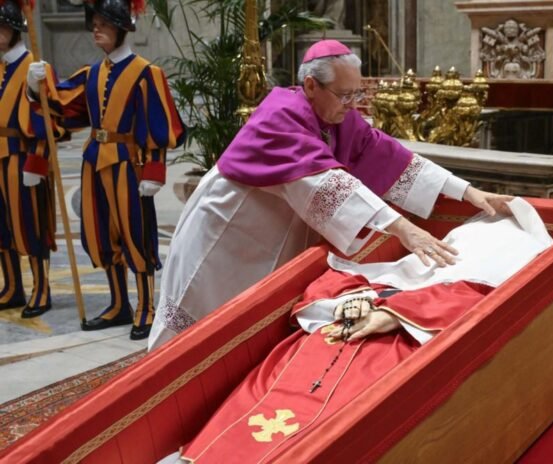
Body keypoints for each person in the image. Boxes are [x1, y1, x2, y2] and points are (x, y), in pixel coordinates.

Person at [148, 39, 513, 350]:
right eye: (344, 94)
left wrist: (467, 191)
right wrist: (404, 229)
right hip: (225, 237)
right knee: (191, 329)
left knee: (243, 328)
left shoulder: (338, 117)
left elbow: (391, 157)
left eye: (358, 93)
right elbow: (325, 183)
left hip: (268, 238)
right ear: (311, 86)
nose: (353, 104)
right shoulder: (280, 116)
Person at [157, 198, 553, 463]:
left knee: (338, 414)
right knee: (270, 392)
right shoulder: (418, 263)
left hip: (395, 345)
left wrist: (395, 314)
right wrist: (354, 299)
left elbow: (473, 310)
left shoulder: (489, 280)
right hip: (332, 335)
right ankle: (208, 455)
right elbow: (337, 281)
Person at [25, 0, 186, 339]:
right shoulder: (92, 73)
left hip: (129, 164)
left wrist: (154, 171)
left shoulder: (146, 73)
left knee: (136, 235)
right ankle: (118, 304)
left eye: (104, 23)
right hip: (94, 162)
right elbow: (64, 107)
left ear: (121, 27)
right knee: (101, 235)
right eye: (94, 23)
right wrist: (35, 86)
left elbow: (158, 122)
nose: (96, 29)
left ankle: (146, 306)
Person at [0, 0, 56, 318]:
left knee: (31, 225)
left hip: (21, 158)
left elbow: (49, 122)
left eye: (2, 27)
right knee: (1, 226)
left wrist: (36, 163)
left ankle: (41, 288)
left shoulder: (34, 67)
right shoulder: (1, 67)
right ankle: (12, 286)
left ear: (14, 28)